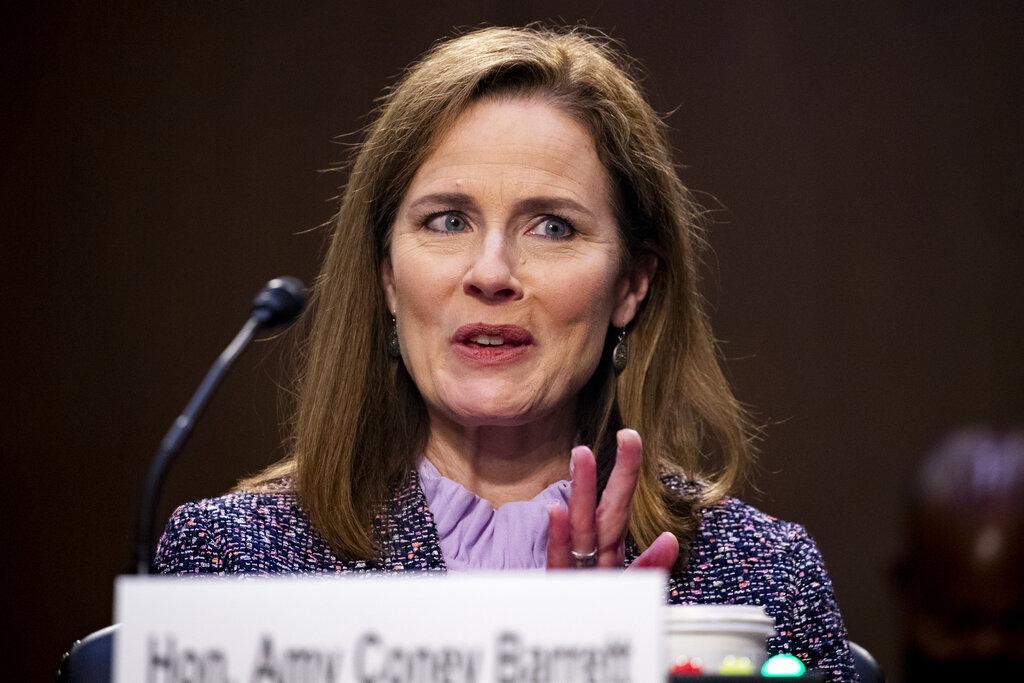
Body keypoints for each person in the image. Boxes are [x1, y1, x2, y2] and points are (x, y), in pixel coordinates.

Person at [156, 26, 856, 680]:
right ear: (388, 276)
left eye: (552, 226)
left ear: (631, 285)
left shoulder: (762, 576)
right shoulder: (236, 563)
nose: (491, 272)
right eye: (448, 220)